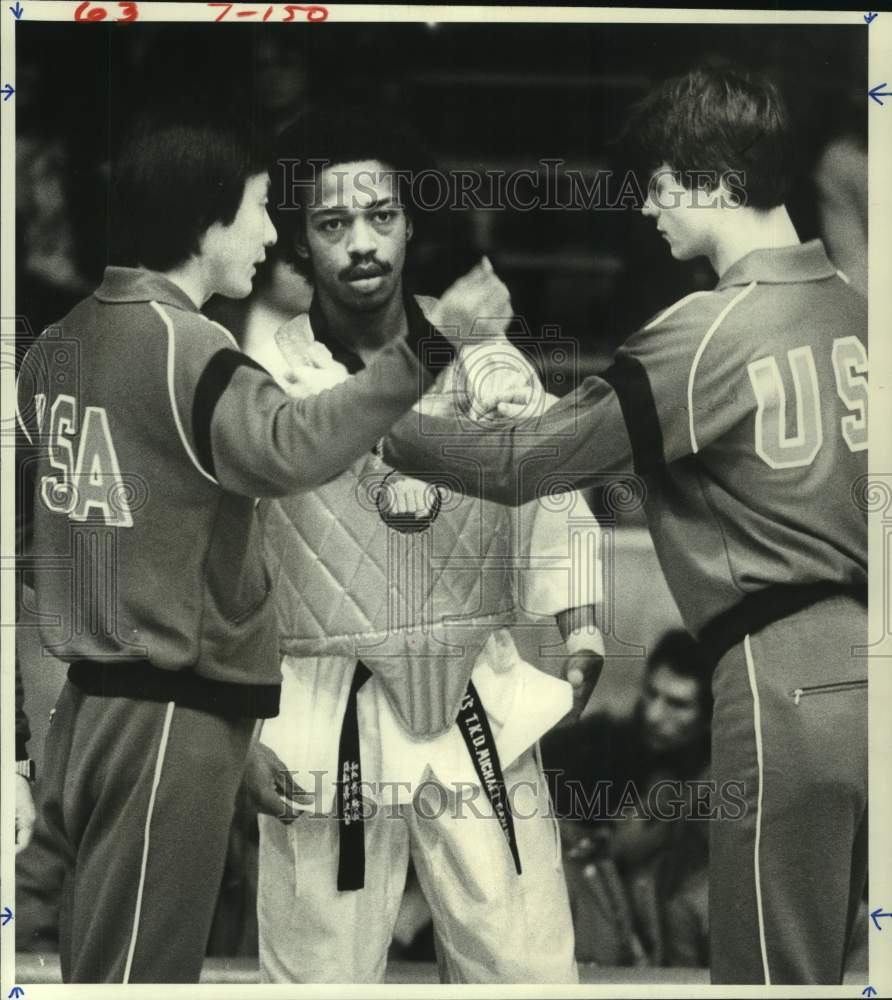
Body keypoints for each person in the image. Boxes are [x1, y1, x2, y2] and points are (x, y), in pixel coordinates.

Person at [385, 66, 868, 986]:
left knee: (770, 977)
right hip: (869, 667)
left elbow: (523, 463)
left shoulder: (709, 329)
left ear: (713, 179)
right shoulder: (860, 314)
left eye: (659, 181)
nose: (647, 206)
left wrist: (373, 424)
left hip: (781, 675)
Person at [14, 104, 507, 984]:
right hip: (164, 705)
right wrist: (435, 343)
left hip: (88, 706)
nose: (271, 233)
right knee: (141, 975)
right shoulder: (187, 346)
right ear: (205, 222)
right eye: (254, 209)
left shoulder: (56, 345)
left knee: (101, 963)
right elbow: (293, 449)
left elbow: (35, 552)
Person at [247, 108, 606, 984]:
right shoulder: (261, 381)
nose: (361, 244)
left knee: (525, 969)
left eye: (381, 217)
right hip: (319, 708)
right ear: (299, 237)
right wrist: (237, 729)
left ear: (412, 222)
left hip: (473, 691)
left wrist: (585, 630)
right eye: (332, 224)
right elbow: (219, 564)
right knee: (314, 976)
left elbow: (555, 490)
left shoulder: (486, 361)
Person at [543, 630, 712, 967]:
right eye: (651, 694)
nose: (653, 713)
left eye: (677, 704)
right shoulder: (593, 746)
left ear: (709, 716)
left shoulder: (719, 778)